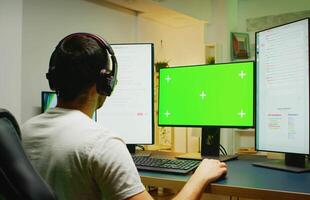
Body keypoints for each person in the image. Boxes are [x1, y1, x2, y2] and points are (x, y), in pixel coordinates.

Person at [21, 33, 227, 200]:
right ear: (105, 83)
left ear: (53, 79)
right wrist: (199, 177)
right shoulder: (102, 144)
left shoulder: (22, 131)